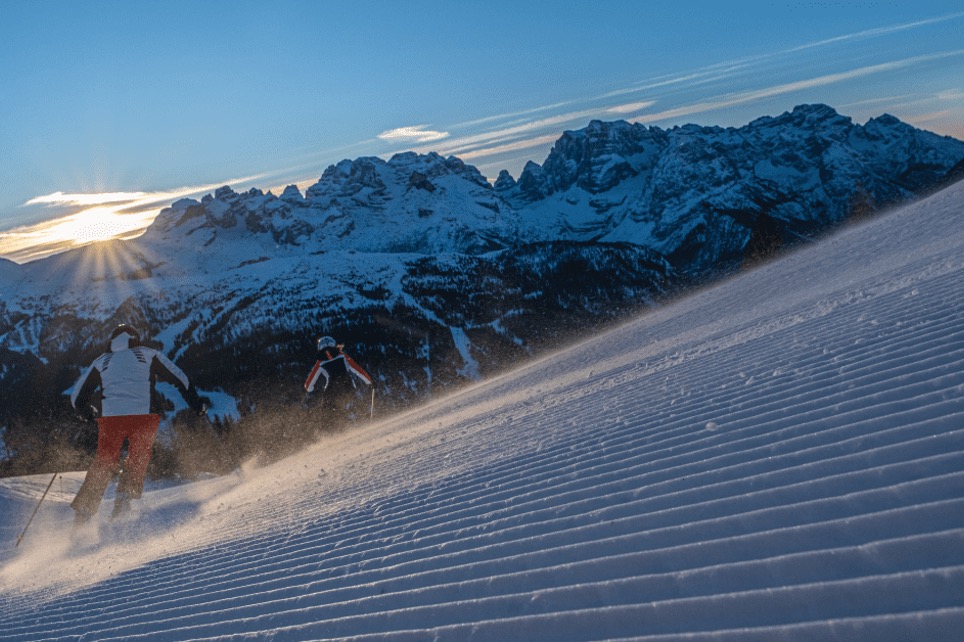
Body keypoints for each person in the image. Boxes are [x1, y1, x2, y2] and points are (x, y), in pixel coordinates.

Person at [69, 324, 208, 524]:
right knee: (137, 458)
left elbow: (77, 397)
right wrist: (197, 405)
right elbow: (180, 379)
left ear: (112, 341)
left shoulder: (101, 361)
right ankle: (124, 505)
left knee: (104, 461)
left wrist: (86, 413)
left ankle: (83, 513)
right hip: (143, 417)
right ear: (136, 338)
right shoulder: (148, 354)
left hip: (111, 419)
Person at [304, 336, 373, 426]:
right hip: (348, 385)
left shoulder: (319, 362)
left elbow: (308, 385)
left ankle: (330, 430)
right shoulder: (343, 356)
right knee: (355, 406)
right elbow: (357, 370)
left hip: (332, 389)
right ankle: (362, 421)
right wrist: (369, 381)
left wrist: (309, 389)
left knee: (327, 411)